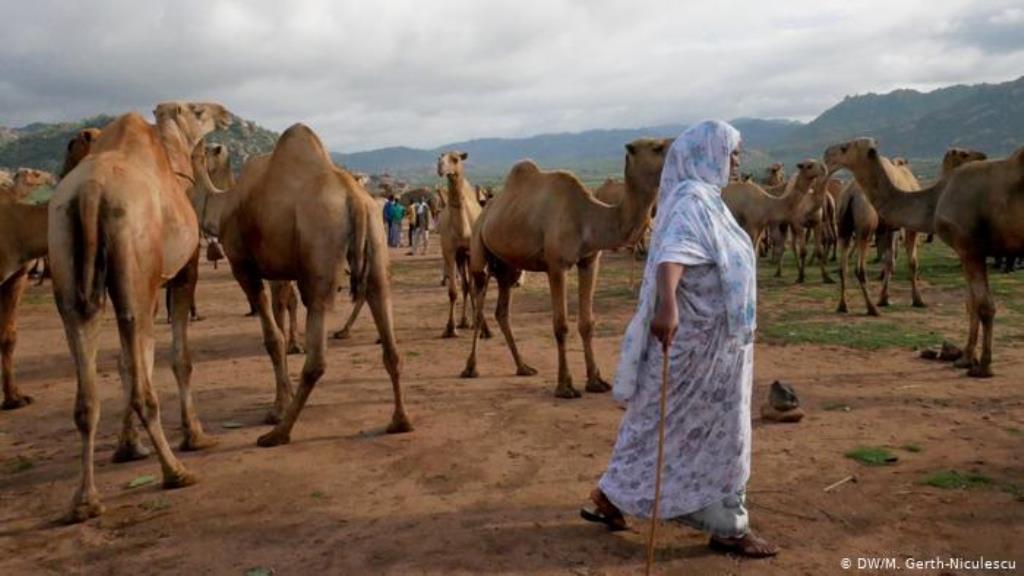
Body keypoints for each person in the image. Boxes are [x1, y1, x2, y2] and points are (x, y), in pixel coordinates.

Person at [581, 120, 777, 558]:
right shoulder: (693, 201)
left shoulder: (707, 200)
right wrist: (667, 304)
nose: (737, 159)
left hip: (718, 346)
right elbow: (674, 254)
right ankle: (728, 525)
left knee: (657, 424)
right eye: (730, 151)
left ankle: (610, 496)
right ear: (705, 153)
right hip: (696, 347)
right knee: (721, 433)